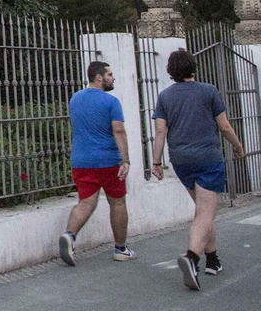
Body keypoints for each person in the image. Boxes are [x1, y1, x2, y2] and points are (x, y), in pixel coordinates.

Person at [150, 48, 245, 292]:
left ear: (171, 72)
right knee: (205, 212)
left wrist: (157, 162)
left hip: (181, 159)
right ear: (193, 67)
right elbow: (223, 126)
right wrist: (238, 146)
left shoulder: (165, 96)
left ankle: (213, 260)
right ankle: (192, 258)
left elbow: (161, 131)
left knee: (204, 209)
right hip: (207, 157)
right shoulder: (208, 91)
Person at [60, 60, 135, 266]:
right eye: (110, 74)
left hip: (81, 161)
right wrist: (125, 160)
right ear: (99, 77)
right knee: (117, 202)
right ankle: (121, 248)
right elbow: (118, 130)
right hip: (108, 161)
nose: (113, 78)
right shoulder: (111, 102)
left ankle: (70, 235)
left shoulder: (75, 99)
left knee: (85, 202)